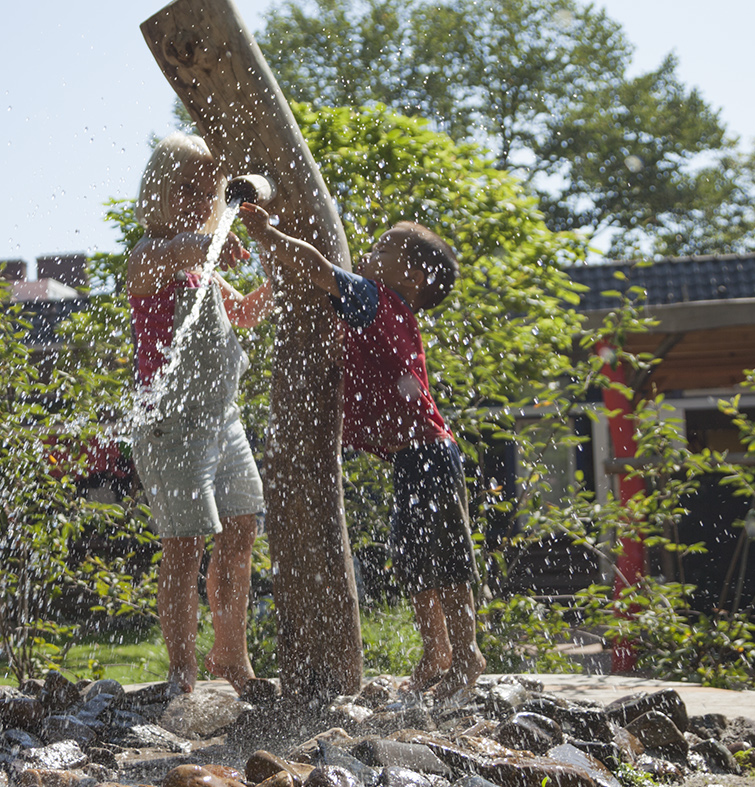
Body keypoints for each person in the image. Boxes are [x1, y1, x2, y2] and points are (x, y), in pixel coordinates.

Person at [238, 204, 487, 694]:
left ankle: (466, 655)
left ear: (411, 276)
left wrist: (270, 232)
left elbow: (316, 268)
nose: (369, 251)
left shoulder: (376, 299)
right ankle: (436, 652)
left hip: (430, 453)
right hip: (412, 459)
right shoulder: (380, 310)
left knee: (448, 561)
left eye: (382, 248)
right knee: (415, 558)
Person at [127, 134, 271, 693]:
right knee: (184, 544)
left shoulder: (205, 269)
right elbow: (168, 256)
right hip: (171, 428)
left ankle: (230, 654)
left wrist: (280, 271)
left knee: (241, 529)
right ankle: (181, 667)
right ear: (157, 191)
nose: (195, 197)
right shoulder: (150, 256)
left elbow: (245, 315)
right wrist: (201, 244)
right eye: (182, 186)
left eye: (204, 189)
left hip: (222, 421)